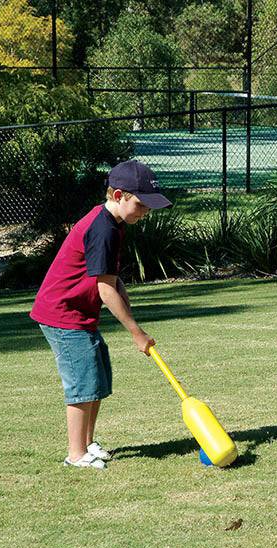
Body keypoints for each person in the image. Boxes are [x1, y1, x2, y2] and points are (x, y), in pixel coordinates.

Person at [30, 159, 172, 469]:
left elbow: (111, 278)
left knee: (96, 378)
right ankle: (75, 454)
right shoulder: (103, 228)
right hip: (62, 315)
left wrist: (127, 304)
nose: (146, 212)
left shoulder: (115, 224)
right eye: (141, 204)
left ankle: (87, 443)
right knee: (82, 383)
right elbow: (105, 290)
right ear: (118, 195)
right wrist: (136, 332)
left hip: (81, 314)